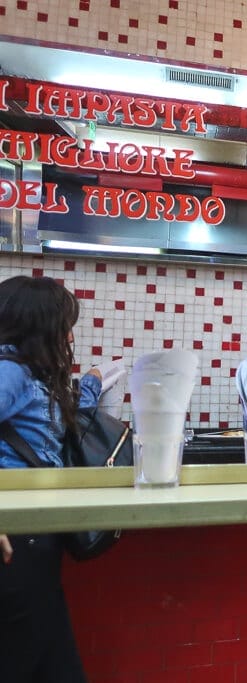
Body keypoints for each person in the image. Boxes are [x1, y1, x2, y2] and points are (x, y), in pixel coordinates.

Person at [0, 275, 102, 683]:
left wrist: (92, 383)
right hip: (16, 541)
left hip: (36, 536)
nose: (70, 336)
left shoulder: (31, 376)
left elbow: (62, 422)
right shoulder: (10, 372)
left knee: (54, 664)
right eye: (64, 326)